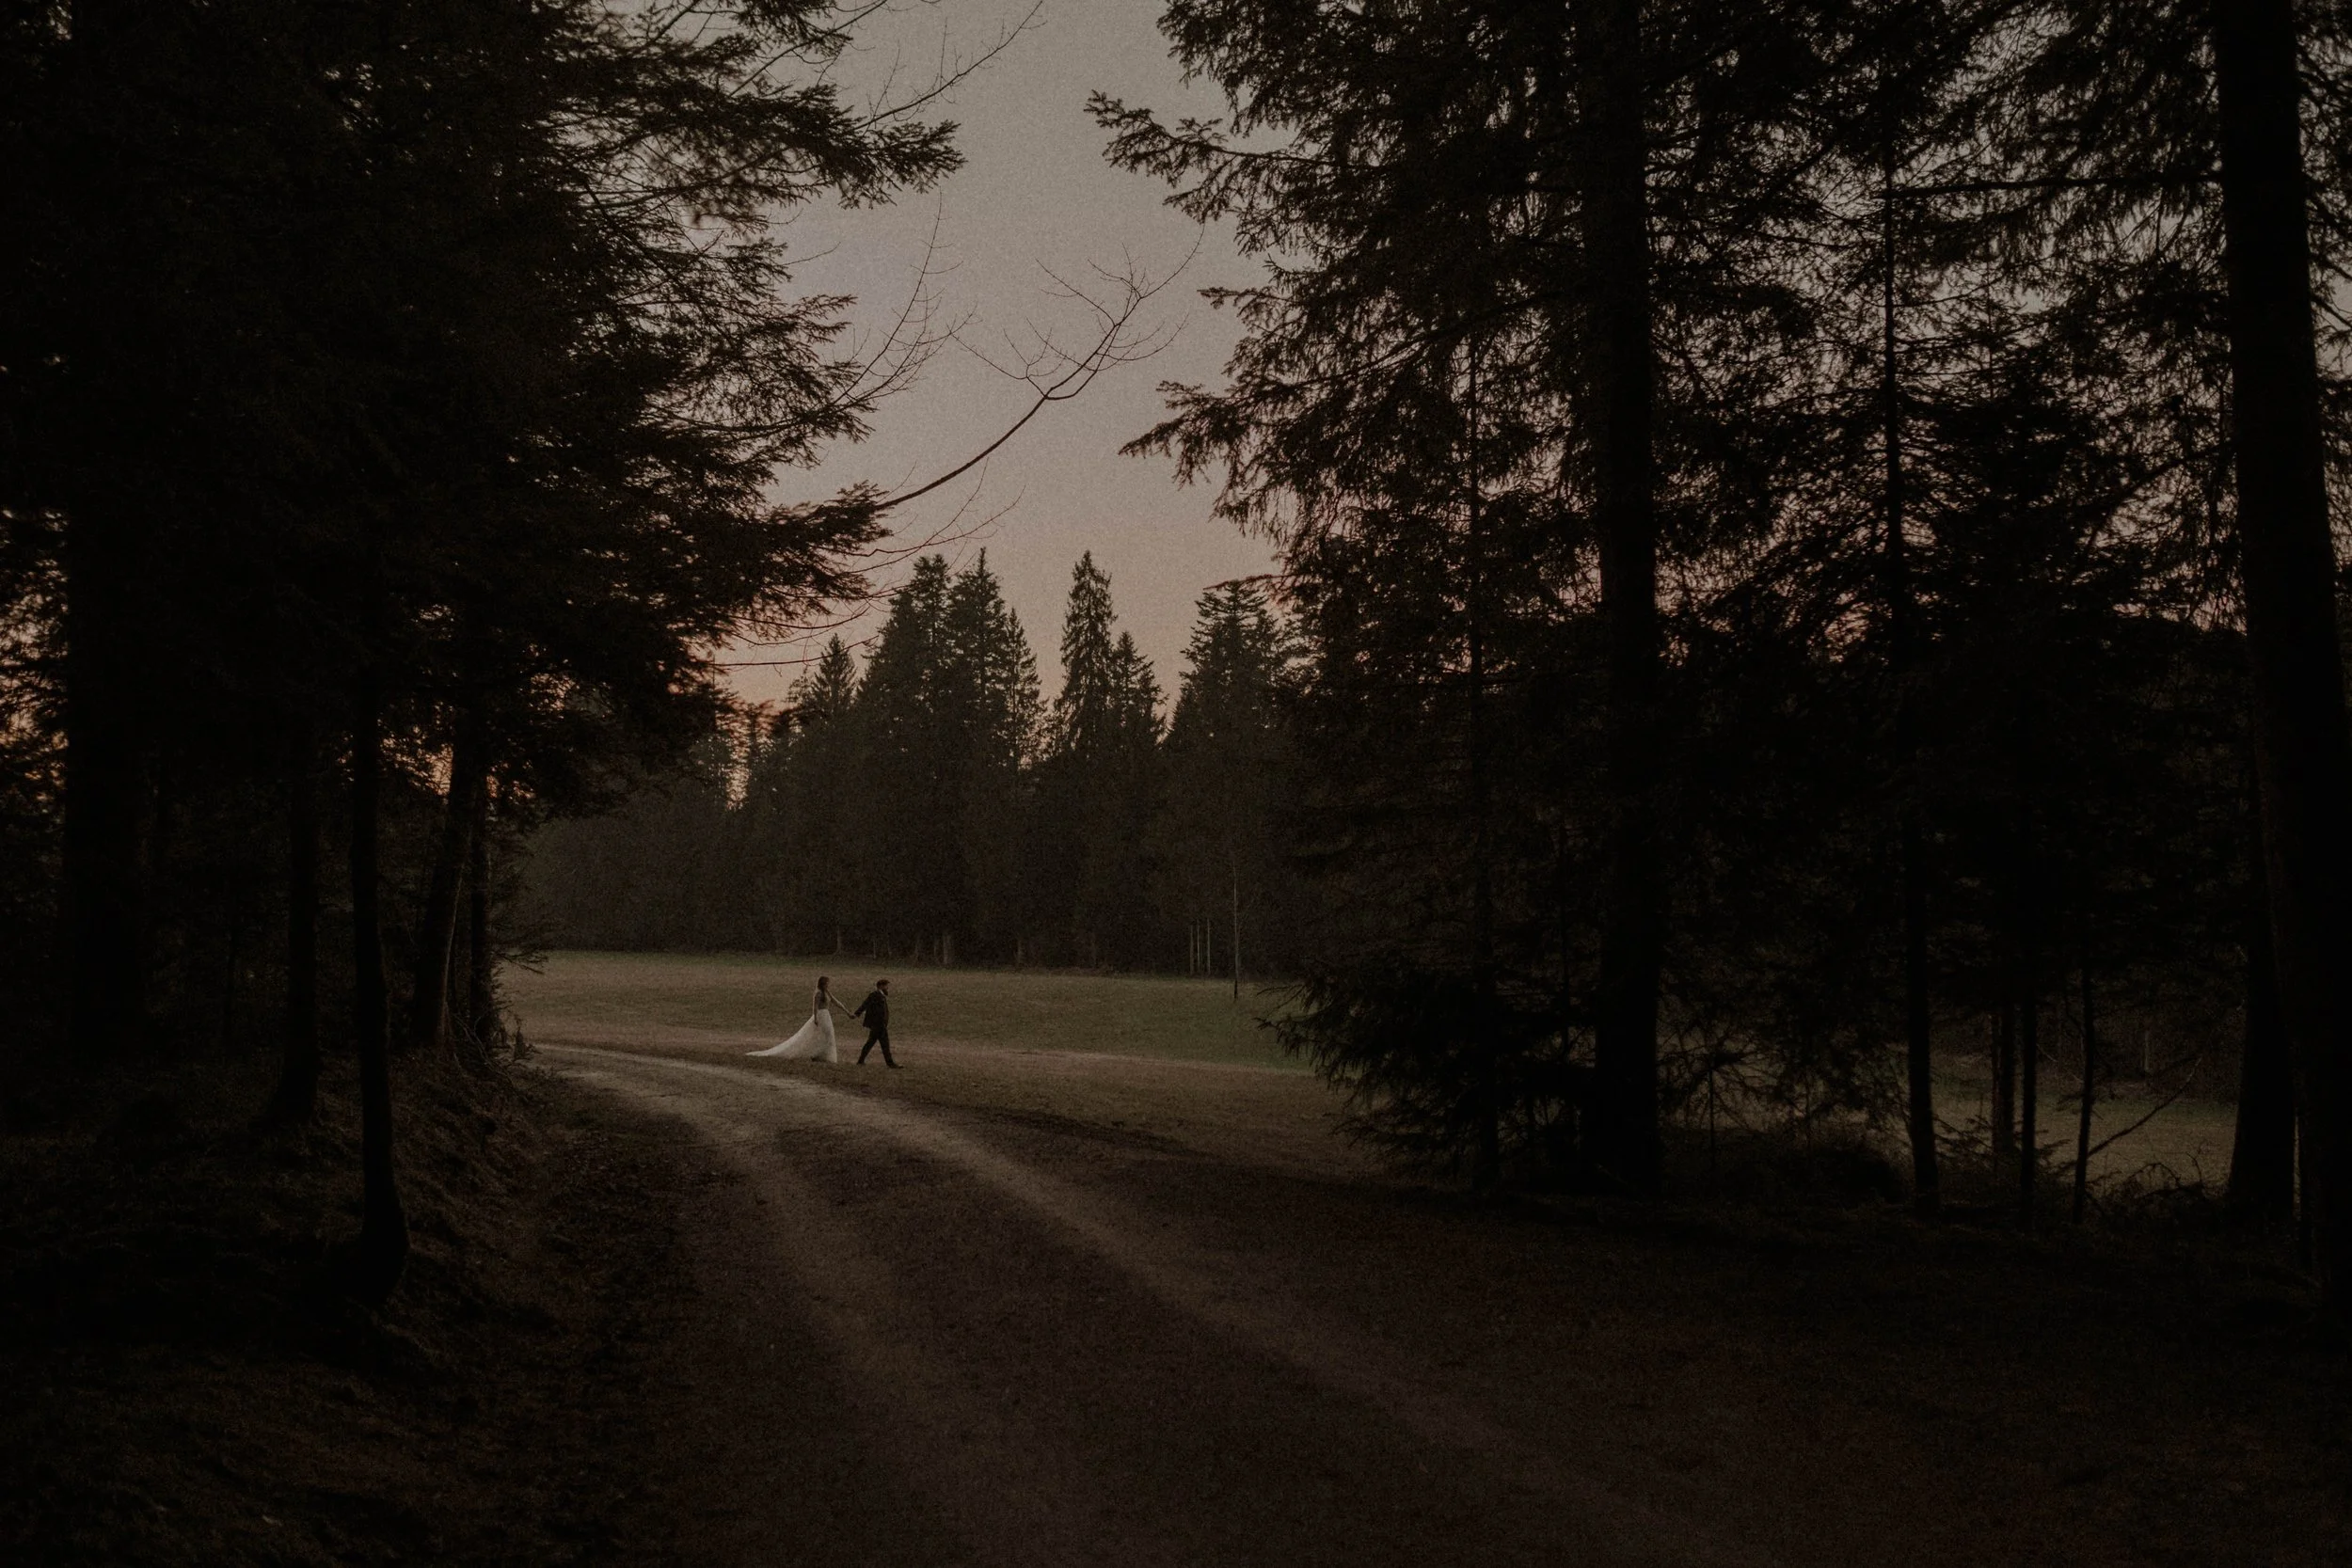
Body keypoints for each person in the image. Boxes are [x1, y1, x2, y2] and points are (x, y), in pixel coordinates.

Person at [746, 974, 844, 1063]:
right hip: (821, 1015)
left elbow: (835, 1002)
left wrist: (846, 1011)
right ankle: (819, 1054)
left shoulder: (827, 992)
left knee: (829, 1034)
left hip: (826, 1015)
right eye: (827, 983)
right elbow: (815, 1007)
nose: (828, 985)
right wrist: (815, 1018)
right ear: (823, 984)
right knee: (825, 1034)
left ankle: (823, 1055)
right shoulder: (818, 993)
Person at [852, 978, 897, 1067]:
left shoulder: (879, 995)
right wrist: (856, 1014)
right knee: (884, 1044)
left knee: (870, 1043)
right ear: (881, 986)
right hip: (879, 1025)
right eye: (886, 986)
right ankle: (890, 1063)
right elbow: (865, 1005)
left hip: (878, 1025)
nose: (887, 988)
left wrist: (857, 1014)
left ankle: (861, 1060)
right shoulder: (875, 995)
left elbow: (865, 1005)